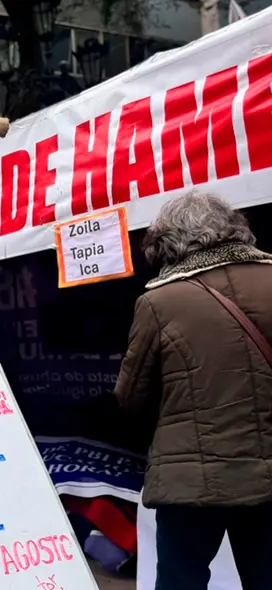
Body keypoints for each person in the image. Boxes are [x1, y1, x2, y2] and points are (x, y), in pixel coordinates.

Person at [113, 193, 272, 590]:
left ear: (169, 241)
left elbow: (130, 398)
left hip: (189, 482)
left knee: (181, 581)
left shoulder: (159, 300)